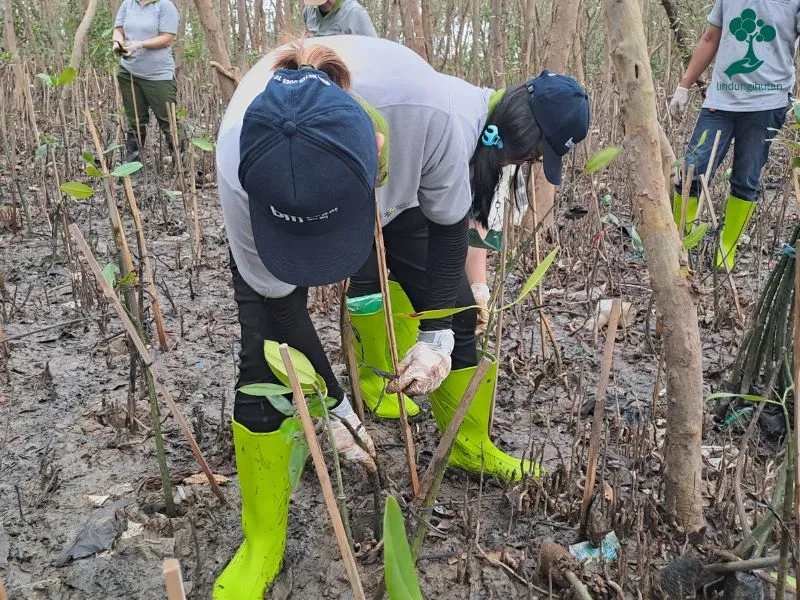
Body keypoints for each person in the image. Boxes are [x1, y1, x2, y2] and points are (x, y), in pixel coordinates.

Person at [214, 36, 588, 599]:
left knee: (459, 315)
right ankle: (262, 538)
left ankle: (469, 445)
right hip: (285, 203)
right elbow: (280, 305)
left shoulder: (426, 114)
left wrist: (437, 336)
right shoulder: (239, 162)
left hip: (401, 194)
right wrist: (335, 405)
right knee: (263, 374)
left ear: (380, 152)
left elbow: (447, 230)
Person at [669, 0, 800, 269]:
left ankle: (726, 247)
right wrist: (684, 85)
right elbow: (710, 38)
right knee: (692, 169)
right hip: (721, 100)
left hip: (768, 102)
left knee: (746, 178)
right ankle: (680, 242)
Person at [113, 0, 181, 163]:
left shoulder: (165, 5)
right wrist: (117, 43)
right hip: (128, 72)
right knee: (134, 119)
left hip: (158, 75)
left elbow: (167, 38)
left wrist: (139, 45)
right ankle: (132, 164)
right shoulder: (128, 4)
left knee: (168, 119)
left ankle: (180, 162)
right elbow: (118, 29)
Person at [303, 0, 377, 37]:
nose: (323, 4)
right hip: (316, 62)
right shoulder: (309, 10)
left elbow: (371, 47)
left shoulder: (355, 12)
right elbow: (307, 35)